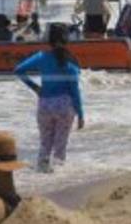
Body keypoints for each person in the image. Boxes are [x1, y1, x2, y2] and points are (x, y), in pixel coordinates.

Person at [14, 24, 84, 172]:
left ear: (49, 40)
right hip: (64, 106)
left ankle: (41, 175)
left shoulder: (41, 57)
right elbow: (74, 91)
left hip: (45, 104)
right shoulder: (71, 65)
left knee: (45, 144)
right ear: (66, 41)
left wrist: (34, 87)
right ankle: (57, 178)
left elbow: (19, 70)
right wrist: (81, 114)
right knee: (60, 146)